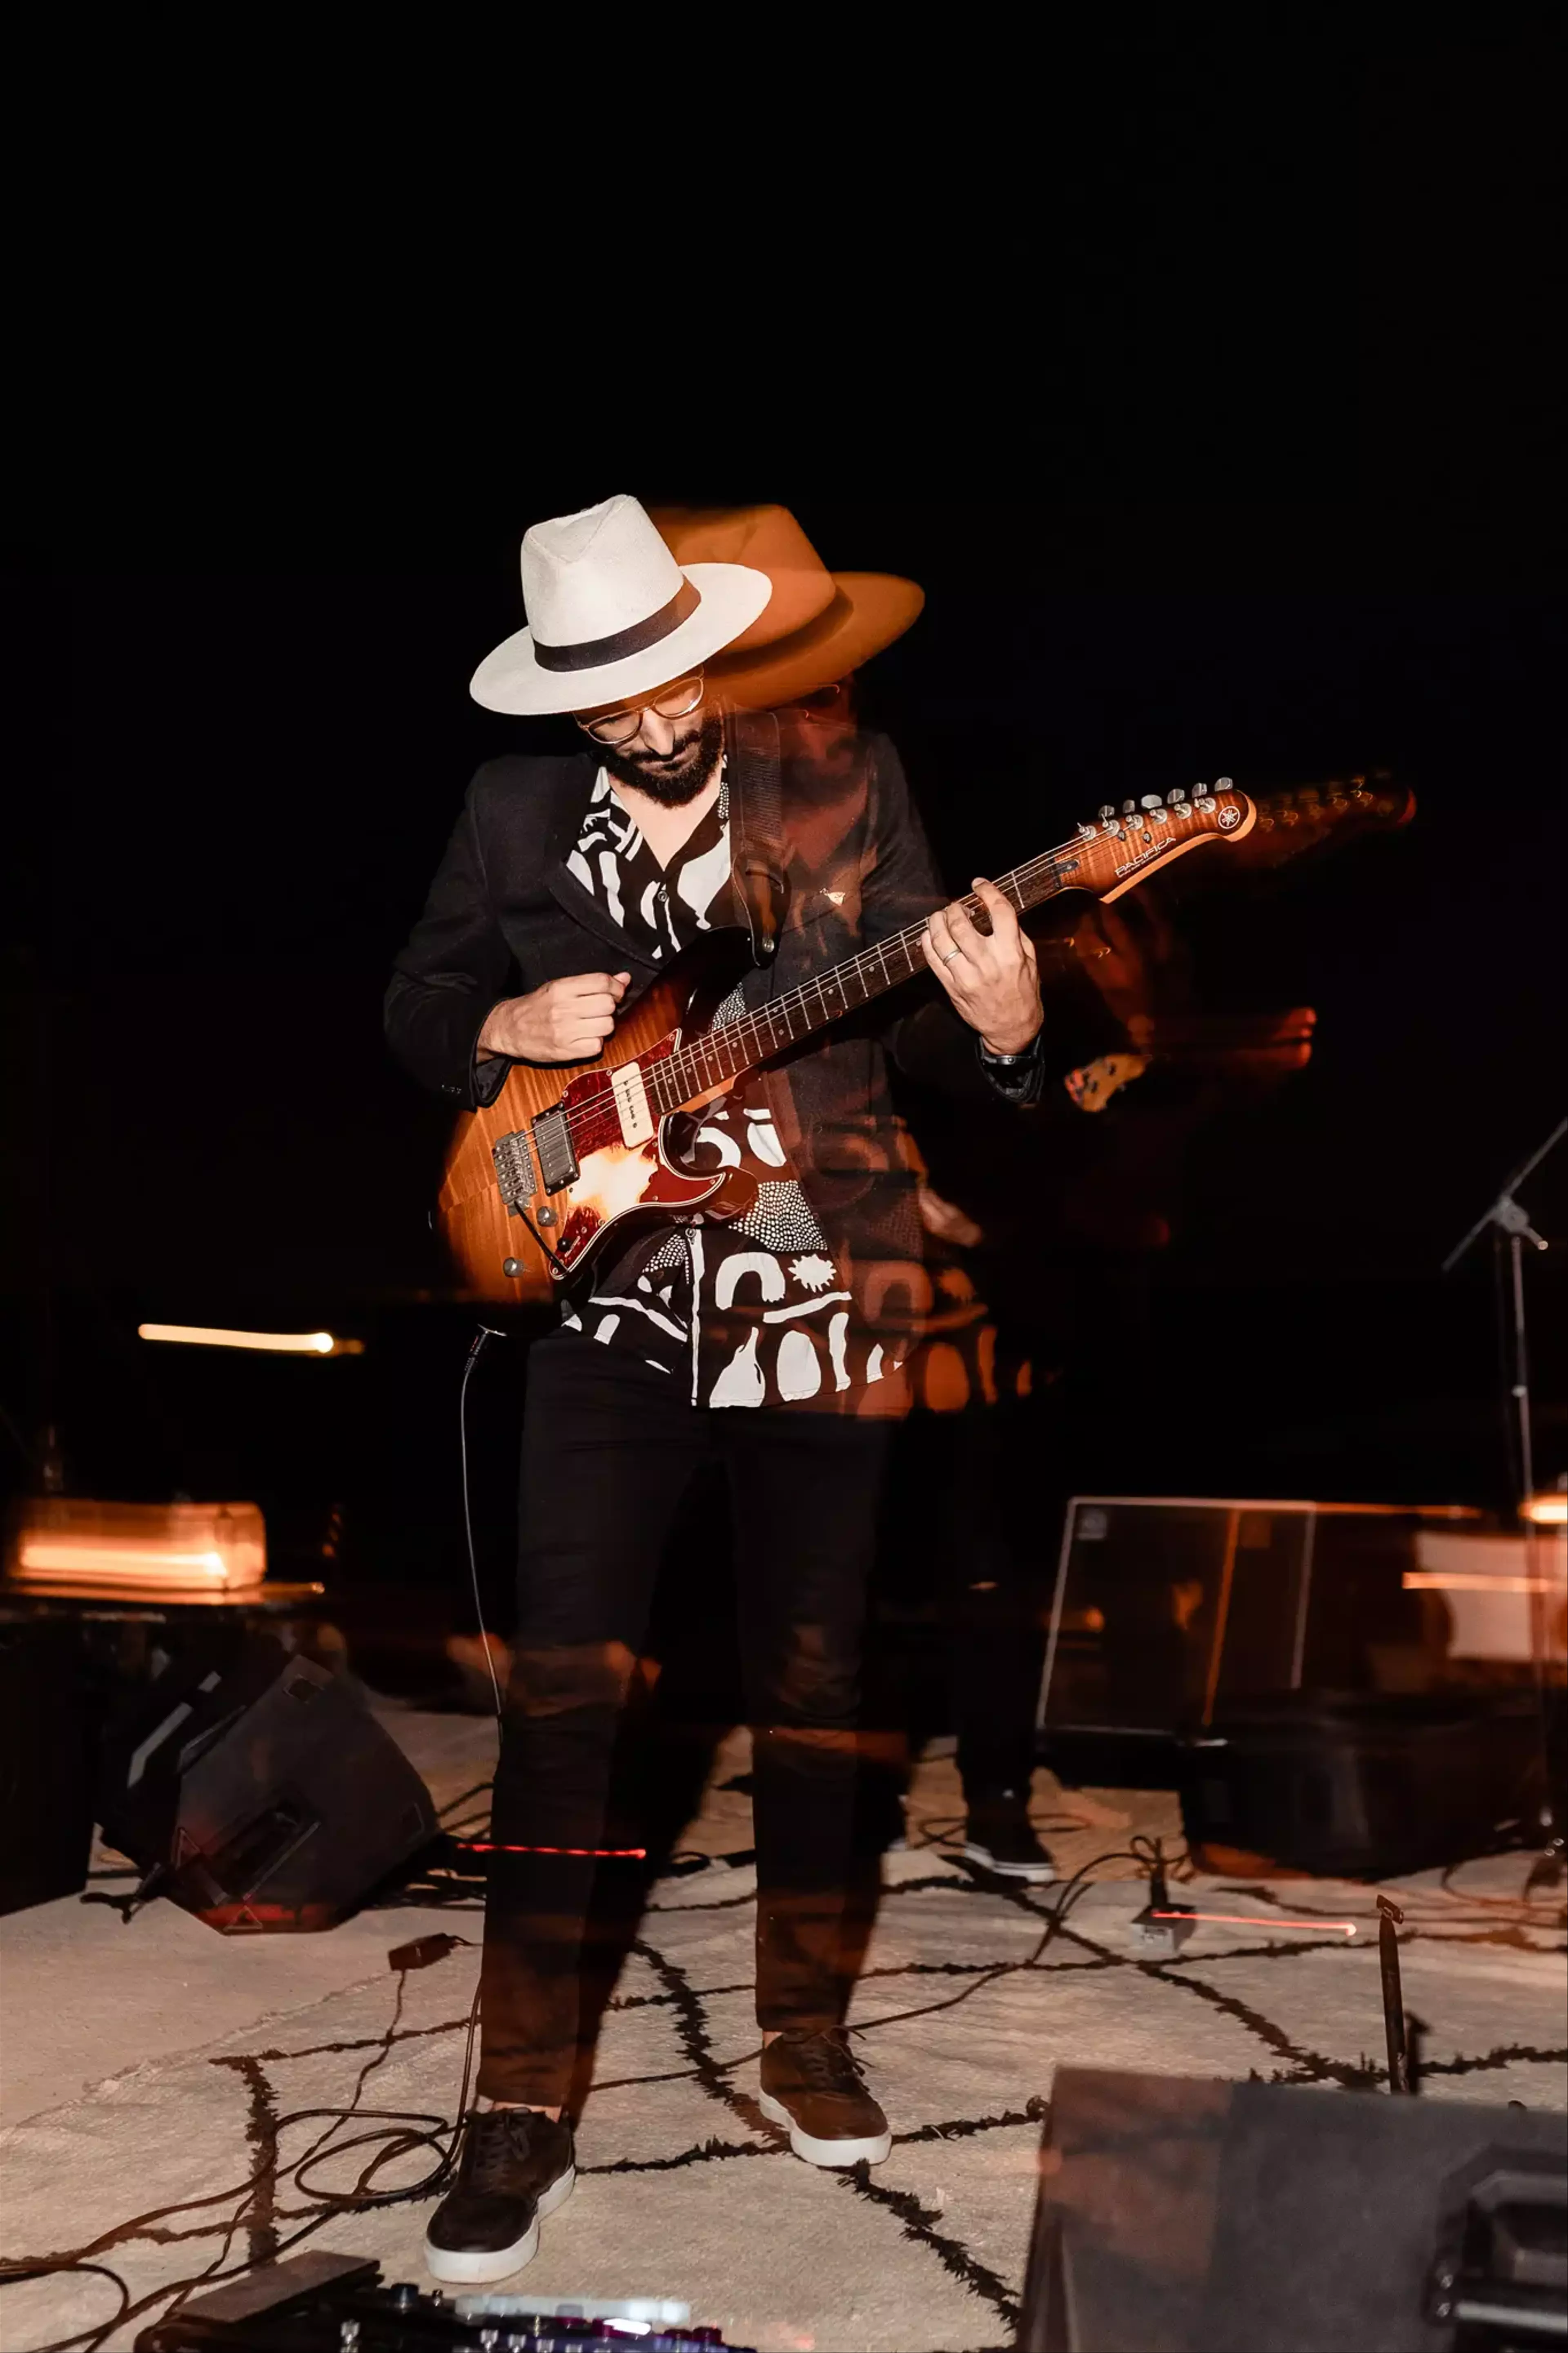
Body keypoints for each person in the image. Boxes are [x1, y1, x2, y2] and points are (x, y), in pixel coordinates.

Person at [385, 495, 1047, 2284]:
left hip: (811, 1286)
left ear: (707, 645)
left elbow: (908, 1006)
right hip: (601, 1302)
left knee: (821, 1689)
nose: (652, 723)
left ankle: (804, 2039)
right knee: (561, 1706)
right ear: (564, 703)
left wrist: (1000, 1030)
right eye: (607, 704)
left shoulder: (846, 775)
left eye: (667, 682)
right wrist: (493, 1034)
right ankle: (517, 2100)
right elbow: (417, 998)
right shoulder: (508, 812)